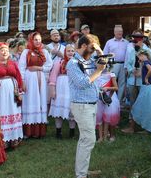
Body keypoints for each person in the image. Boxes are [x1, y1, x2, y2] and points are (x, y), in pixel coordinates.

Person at [67, 34, 106, 178]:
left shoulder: (88, 60)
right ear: (83, 46)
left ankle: (82, 171)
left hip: (90, 104)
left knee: (85, 139)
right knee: (88, 139)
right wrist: (98, 71)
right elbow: (82, 83)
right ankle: (81, 175)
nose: (93, 51)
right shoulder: (72, 64)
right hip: (81, 106)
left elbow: (103, 63)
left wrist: (100, 52)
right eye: (92, 48)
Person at [19, 32, 53, 138]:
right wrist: (23, 81)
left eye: (39, 39)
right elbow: (21, 67)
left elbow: (49, 65)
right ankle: (29, 131)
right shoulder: (26, 52)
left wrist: (39, 68)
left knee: (41, 100)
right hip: (30, 79)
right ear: (31, 40)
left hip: (41, 78)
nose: (38, 42)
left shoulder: (44, 52)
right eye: (35, 40)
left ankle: (39, 132)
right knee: (30, 100)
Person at [0, 42, 24, 148]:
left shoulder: (13, 63)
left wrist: (20, 92)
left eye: (7, 50)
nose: (5, 52)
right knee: (3, 111)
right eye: (2, 50)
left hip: (13, 92)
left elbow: (18, 76)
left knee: (13, 111)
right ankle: (3, 139)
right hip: (0, 93)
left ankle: (14, 138)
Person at [123, 49, 151, 133]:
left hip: (147, 88)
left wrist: (146, 78)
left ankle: (135, 128)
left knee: (137, 107)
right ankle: (146, 128)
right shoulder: (148, 62)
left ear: (142, 55)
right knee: (147, 107)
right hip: (149, 88)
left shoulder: (146, 62)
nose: (138, 58)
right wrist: (136, 72)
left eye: (139, 56)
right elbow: (142, 73)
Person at [49, 44, 77, 139]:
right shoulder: (60, 62)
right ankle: (58, 132)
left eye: (72, 51)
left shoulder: (77, 63)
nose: (70, 53)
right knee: (59, 111)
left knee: (72, 111)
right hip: (61, 89)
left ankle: (72, 132)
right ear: (65, 52)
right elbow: (53, 77)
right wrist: (52, 90)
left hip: (72, 89)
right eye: (68, 51)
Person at [103, 25, 129, 103]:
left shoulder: (126, 42)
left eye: (121, 31)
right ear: (114, 32)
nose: (119, 33)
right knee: (111, 82)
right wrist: (106, 66)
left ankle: (119, 101)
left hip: (123, 65)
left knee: (122, 84)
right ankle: (109, 99)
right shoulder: (109, 42)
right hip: (112, 65)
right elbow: (105, 54)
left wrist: (127, 66)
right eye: (118, 31)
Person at [95, 66, 120, 142]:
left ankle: (106, 137)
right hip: (99, 98)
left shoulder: (111, 74)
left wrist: (108, 88)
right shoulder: (95, 74)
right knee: (99, 117)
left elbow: (116, 87)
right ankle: (100, 137)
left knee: (108, 117)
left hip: (109, 97)